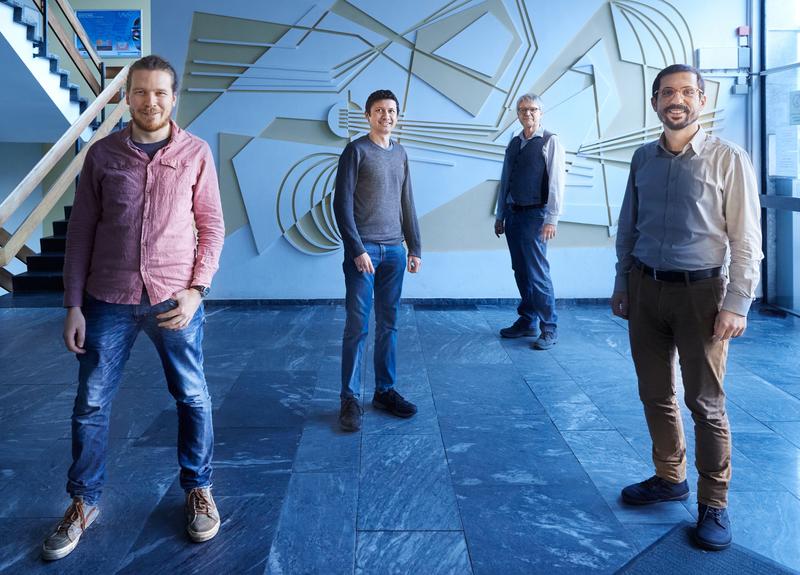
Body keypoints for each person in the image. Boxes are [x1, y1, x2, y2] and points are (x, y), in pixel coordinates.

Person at [41, 55, 225, 561]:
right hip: (108, 300)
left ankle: (198, 488)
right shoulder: (101, 156)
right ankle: (84, 502)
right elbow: (79, 235)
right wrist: (73, 304)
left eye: (160, 92)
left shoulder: (196, 154)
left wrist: (196, 290)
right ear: (127, 97)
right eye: (141, 92)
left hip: (174, 300)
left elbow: (211, 227)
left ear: (174, 96)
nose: (151, 102)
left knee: (192, 397)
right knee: (91, 406)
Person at [612, 64, 762, 551]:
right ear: (655, 102)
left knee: (706, 403)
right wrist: (623, 283)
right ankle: (668, 475)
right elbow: (627, 228)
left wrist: (737, 303)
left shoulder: (728, 159)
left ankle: (714, 502)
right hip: (645, 288)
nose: (676, 100)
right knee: (654, 392)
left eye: (686, 92)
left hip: (703, 296)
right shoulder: (642, 158)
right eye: (667, 93)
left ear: (701, 99)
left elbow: (746, 239)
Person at [333, 89, 422, 432]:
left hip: (395, 252)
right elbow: (341, 205)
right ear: (368, 115)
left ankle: (384, 391)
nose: (387, 116)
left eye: (392, 111)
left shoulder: (400, 153)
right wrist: (356, 249)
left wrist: (415, 247)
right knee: (357, 326)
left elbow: (408, 203)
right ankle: (349, 398)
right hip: (364, 252)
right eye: (380, 111)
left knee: (390, 324)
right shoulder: (355, 151)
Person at [494, 93, 565, 350]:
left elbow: (557, 182)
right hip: (513, 214)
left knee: (537, 274)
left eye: (533, 109)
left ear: (541, 113)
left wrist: (552, 219)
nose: (527, 114)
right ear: (517, 113)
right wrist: (500, 215)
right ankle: (527, 321)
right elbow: (505, 180)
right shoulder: (514, 142)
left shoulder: (549, 141)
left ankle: (549, 328)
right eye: (523, 110)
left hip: (536, 216)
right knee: (520, 271)